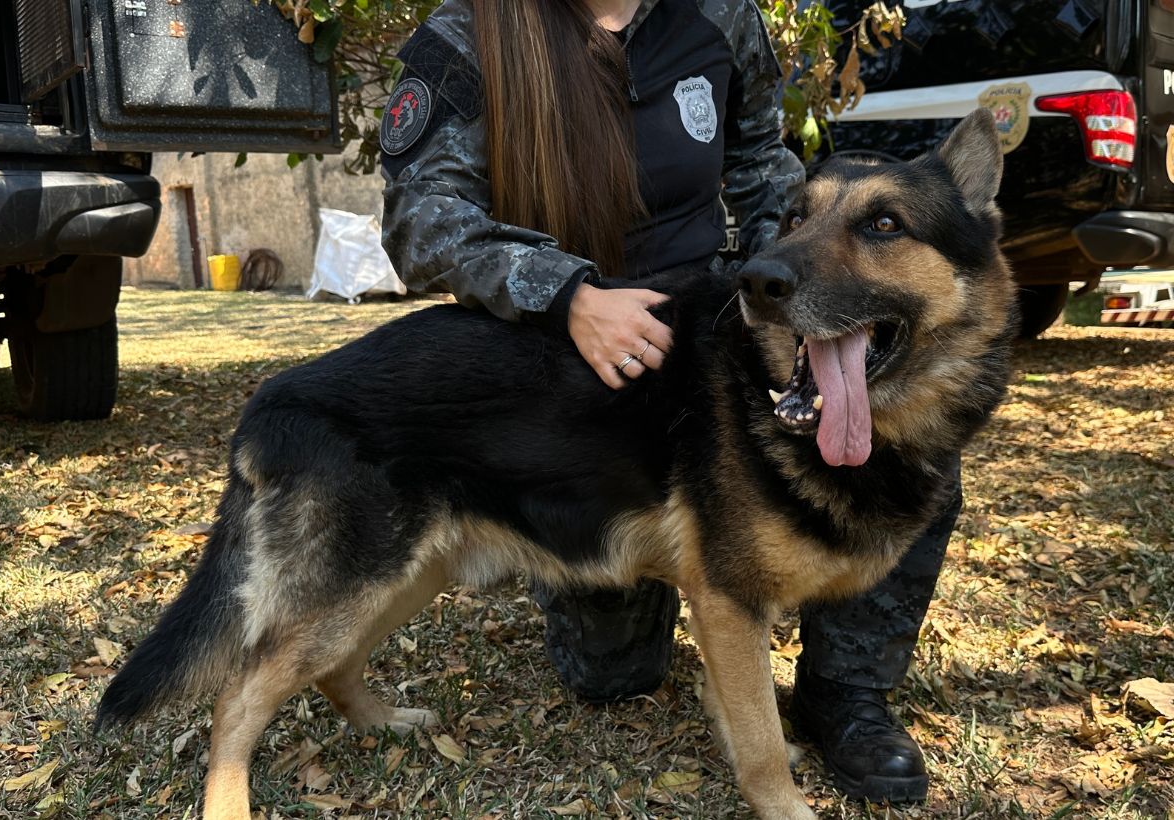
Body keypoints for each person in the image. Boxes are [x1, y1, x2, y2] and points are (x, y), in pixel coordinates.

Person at [379, 0, 960, 804]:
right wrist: (569, 295)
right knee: (613, 675)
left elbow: (764, 162)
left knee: (900, 453)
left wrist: (796, 289)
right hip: (569, 368)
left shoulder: (721, 17)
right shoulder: (465, 36)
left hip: (707, 332)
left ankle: (845, 690)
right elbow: (420, 220)